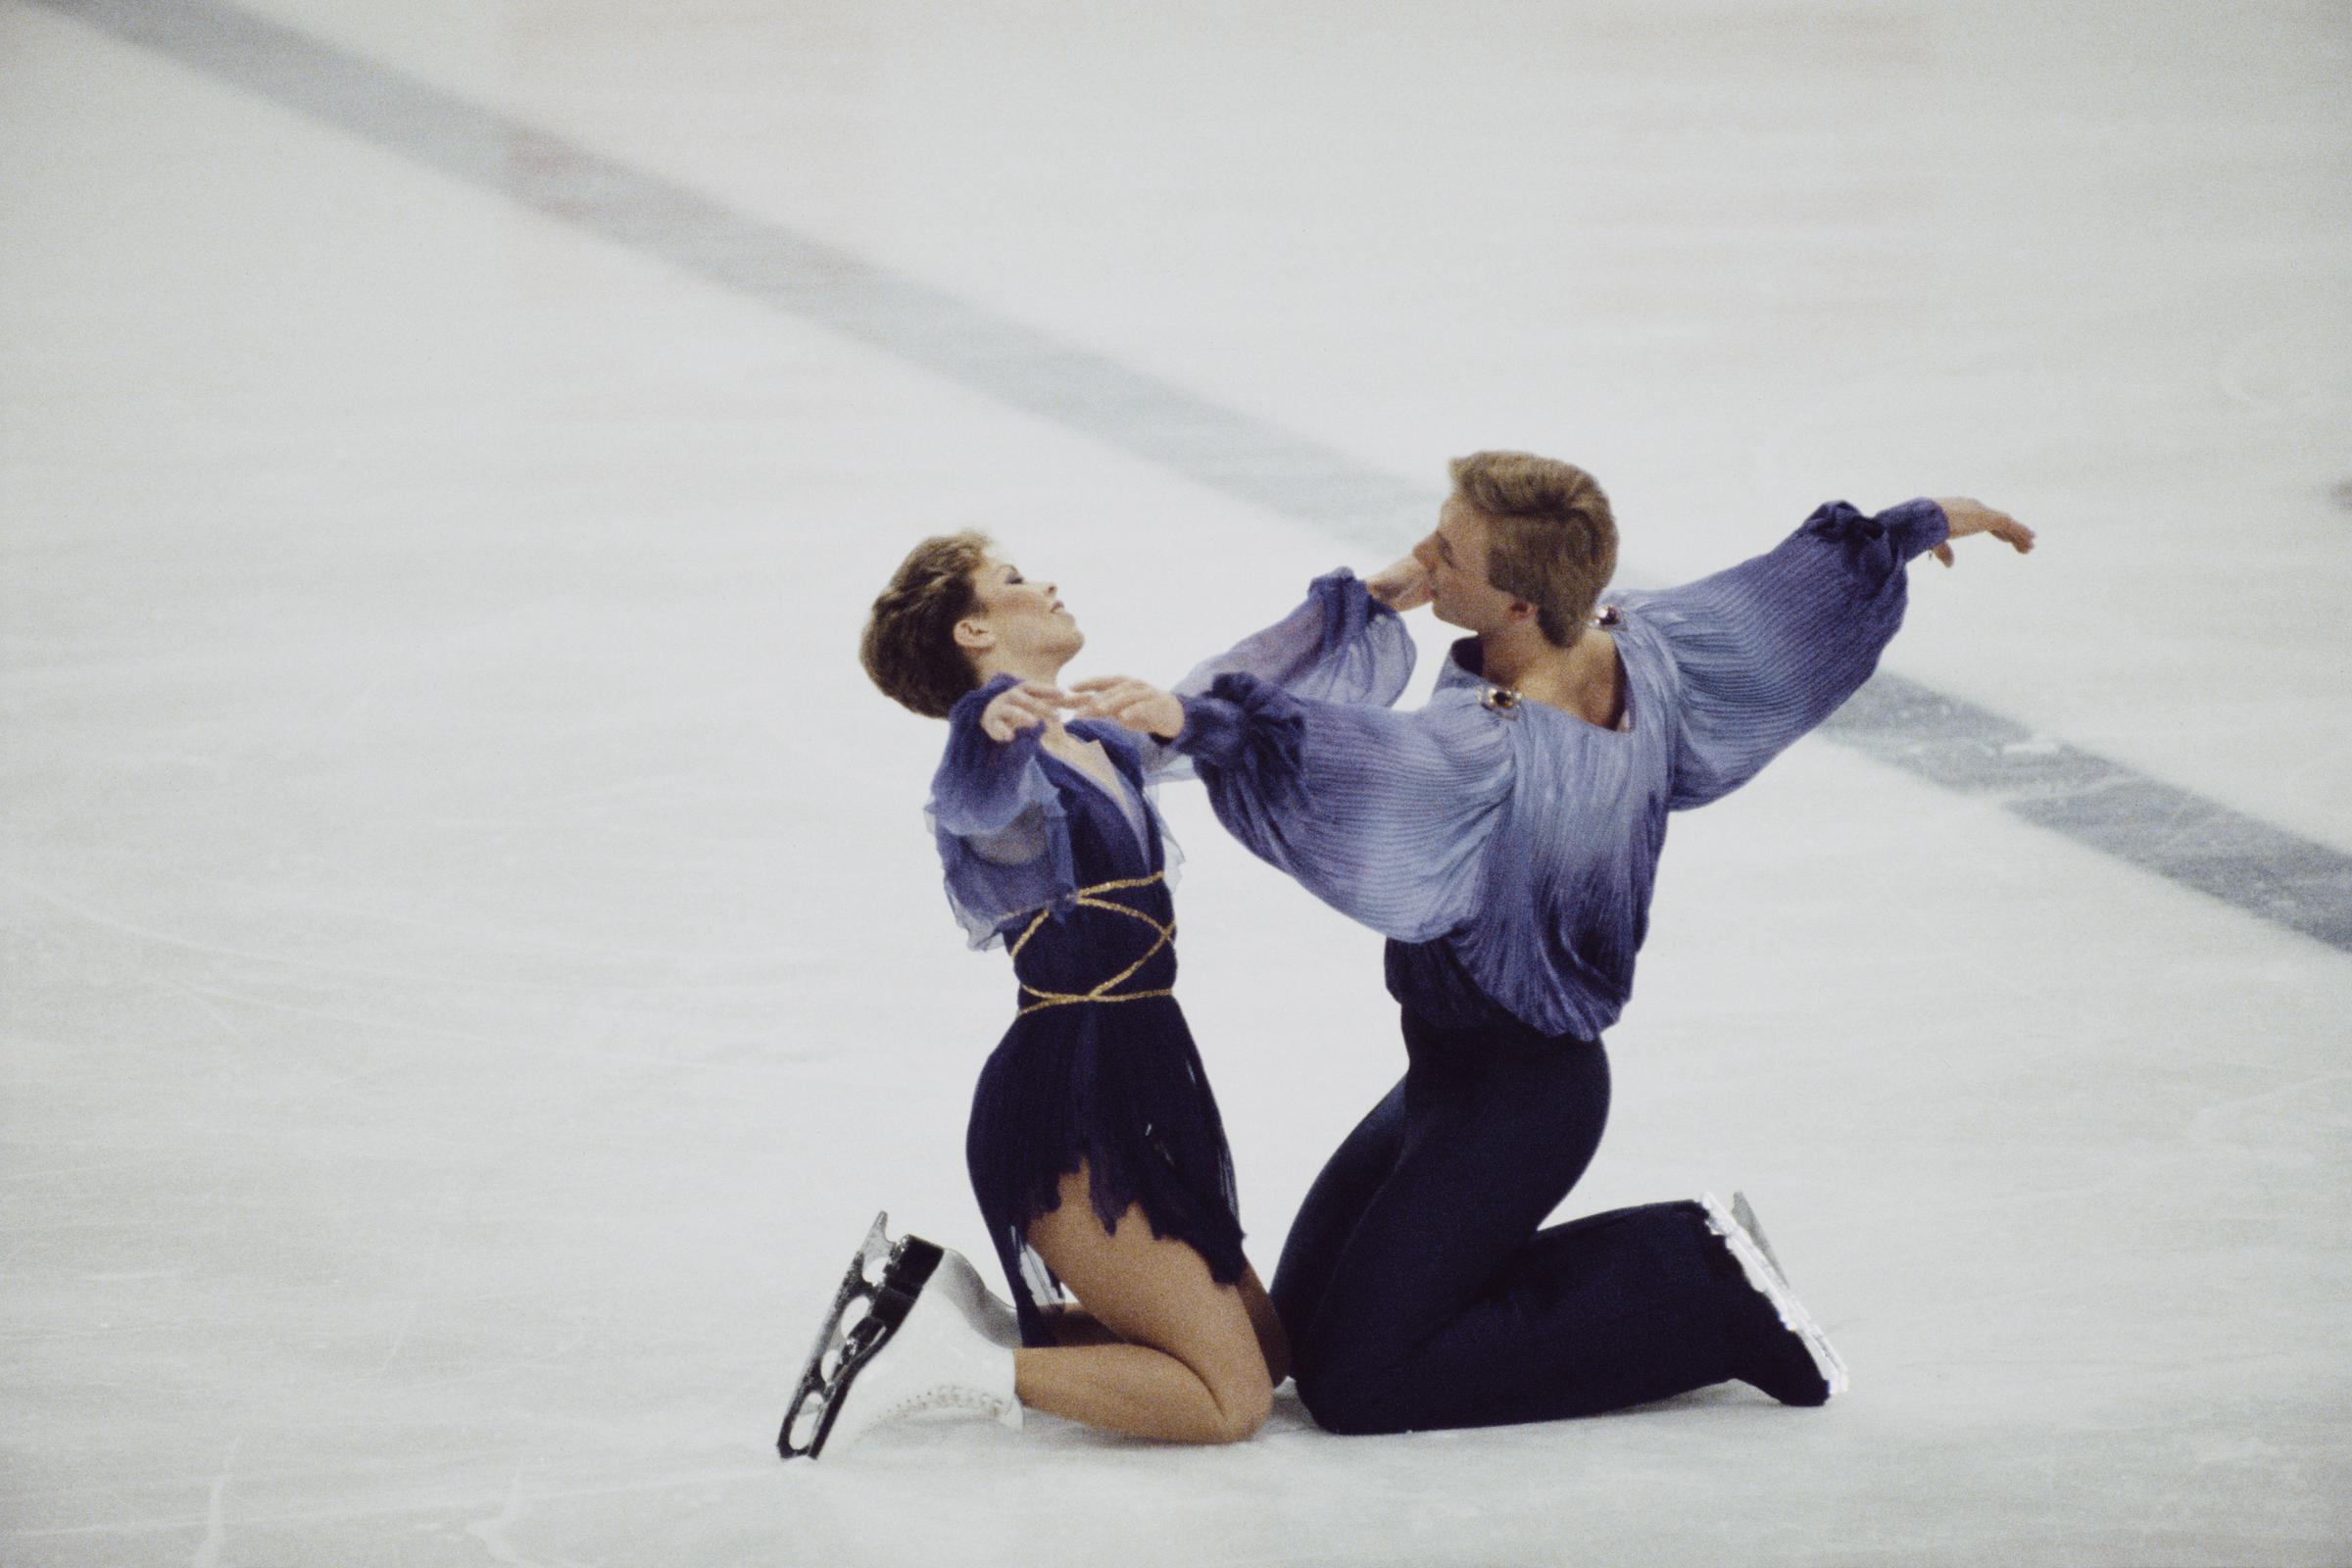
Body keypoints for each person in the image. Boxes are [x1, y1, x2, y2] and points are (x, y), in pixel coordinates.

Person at [1070, 451, 2035, 1435]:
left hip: (1523, 1099)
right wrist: (1906, 530)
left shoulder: (1490, 753)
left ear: (1521, 604)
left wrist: (1202, 721)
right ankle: (1652, 1269)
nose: (1425, 557)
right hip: (1446, 1082)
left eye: (1449, 553)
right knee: (1306, 1333)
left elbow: (1340, 759)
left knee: (1356, 1385)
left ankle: (1702, 1281)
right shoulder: (1642, 647)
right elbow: (1774, 605)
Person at [783, 530, 1414, 1457]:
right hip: (1066, 1110)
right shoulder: (1007, 779)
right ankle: (940, 1363)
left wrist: (1364, 602)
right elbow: (970, 803)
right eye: (1012, 581)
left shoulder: (1096, 745)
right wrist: (983, 728)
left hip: (1146, 1082)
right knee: (1226, 1402)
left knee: (1270, 1352)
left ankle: (978, 1324)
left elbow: (1219, 688)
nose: (1044, 582)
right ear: (973, 630)